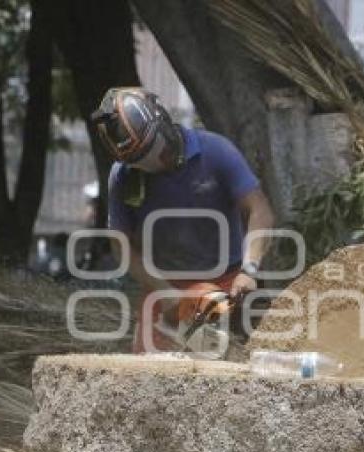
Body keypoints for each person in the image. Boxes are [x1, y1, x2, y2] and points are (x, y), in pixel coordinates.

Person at [91, 87, 275, 352]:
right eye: (144, 163)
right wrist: (162, 290)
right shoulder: (123, 175)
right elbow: (121, 246)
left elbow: (260, 211)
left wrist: (250, 269)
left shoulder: (216, 151)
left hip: (228, 280)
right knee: (145, 375)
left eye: (158, 153)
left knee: (229, 369)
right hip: (163, 285)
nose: (158, 165)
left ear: (163, 122)